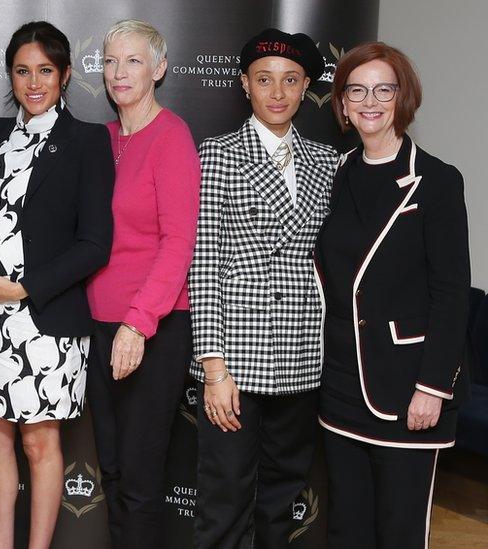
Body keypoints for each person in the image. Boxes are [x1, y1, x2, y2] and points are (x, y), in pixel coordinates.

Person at [0, 21, 114, 549]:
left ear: (66, 74)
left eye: (45, 70)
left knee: (40, 441)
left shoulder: (87, 141)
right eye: (22, 71)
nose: (33, 82)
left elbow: (95, 244)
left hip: (42, 316)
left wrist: (23, 289)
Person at [188, 28, 337, 548]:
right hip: (236, 359)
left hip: (302, 355)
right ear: (245, 85)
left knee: (282, 497)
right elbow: (204, 264)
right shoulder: (218, 154)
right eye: (265, 80)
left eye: (290, 81)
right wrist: (213, 368)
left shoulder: (326, 162)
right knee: (225, 499)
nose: (278, 92)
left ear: (305, 88)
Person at [317, 42, 469, 549]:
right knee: (346, 529)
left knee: (399, 532)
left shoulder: (438, 181)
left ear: (404, 97)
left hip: (406, 389)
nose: (369, 100)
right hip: (339, 383)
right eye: (356, 90)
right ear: (341, 103)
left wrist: (433, 386)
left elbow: (451, 293)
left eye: (384, 88)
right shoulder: (337, 175)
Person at [85, 19, 200, 548]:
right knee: (111, 469)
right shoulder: (101, 140)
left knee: (140, 478)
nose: (118, 72)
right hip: (98, 325)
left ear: (159, 68)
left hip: (151, 328)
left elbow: (179, 244)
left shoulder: (171, 136)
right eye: (110, 61)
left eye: (133, 61)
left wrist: (137, 323)